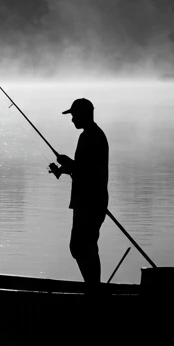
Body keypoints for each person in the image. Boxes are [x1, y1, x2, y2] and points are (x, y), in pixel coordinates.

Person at [49, 98, 109, 291]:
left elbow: (88, 171)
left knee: (82, 246)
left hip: (89, 201)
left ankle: (93, 289)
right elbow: (84, 169)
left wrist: (69, 165)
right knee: (83, 246)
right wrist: (66, 167)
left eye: (74, 115)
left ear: (84, 115)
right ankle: (93, 287)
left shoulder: (92, 136)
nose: (72, 119)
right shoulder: (91, 135)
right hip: (89, 200)